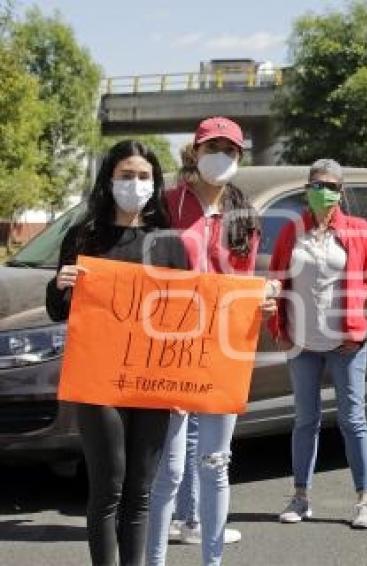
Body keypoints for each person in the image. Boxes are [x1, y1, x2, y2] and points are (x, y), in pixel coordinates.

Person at [46, 140, 188, 566]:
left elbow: (187, 317)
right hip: (99, 379)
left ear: (155, 183)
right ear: (109, 179)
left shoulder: (169, 243)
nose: (135, 183)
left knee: (140, 493)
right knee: (108, 489)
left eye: (144, 176)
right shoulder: (84, 237)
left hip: (152, 379)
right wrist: (60, 285)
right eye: (126, 175)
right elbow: (59, 310)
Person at [146, 116, 275, 566]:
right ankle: (156, 560)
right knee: (171, 468)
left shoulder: (246, 215)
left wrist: (264, 298)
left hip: (222, 350)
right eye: (212, 147)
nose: (221, 156)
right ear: (194, 153)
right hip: (172, 348)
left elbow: (245, 282)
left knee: (216, 464)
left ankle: (212, 561)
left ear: (240, 158)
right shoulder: (164, 205)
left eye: (231, 150)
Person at [267, 158, 367, 528]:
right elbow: (277, 278)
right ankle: (300, 497)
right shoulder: (291, 231)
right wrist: (278, 326)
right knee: (305, 421)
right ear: (306, 188)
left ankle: (365, 500)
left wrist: (363, 328)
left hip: (346, 344)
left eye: (330, 185)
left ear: (341, 191)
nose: (323, 191)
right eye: (316, 184)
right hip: (302, 342)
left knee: (353, 420)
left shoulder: (360, 231)